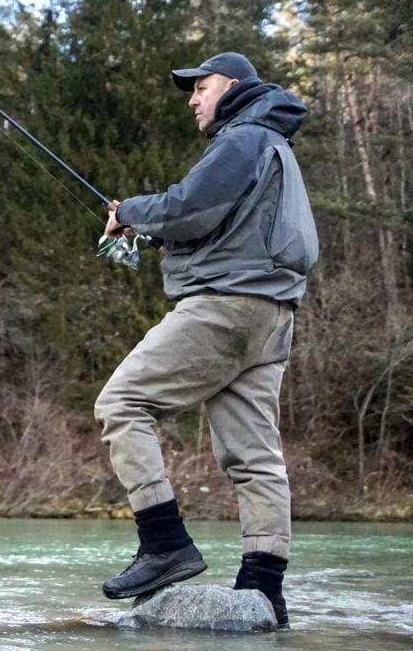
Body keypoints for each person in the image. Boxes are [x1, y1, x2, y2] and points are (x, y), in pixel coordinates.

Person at [94, 52, 319, 629]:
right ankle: (264, 588)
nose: (193, 99)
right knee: (254, 456)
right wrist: (181, 243)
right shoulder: (273, 145)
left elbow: (191, 207)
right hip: (272, 314)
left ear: (235, 87)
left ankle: (164, 543)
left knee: (122, 402)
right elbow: (231, 226)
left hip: (226, 308)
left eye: (202, 87)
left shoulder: (243, 137)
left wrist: (131, 213)